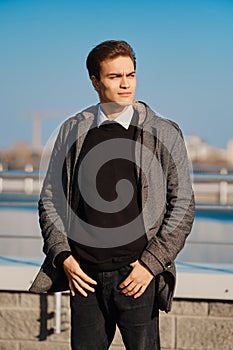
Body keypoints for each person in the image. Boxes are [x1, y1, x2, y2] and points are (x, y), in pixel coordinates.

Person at [30, 40, 195, 350]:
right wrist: (63, 256)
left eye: (130, 75)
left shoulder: (163, 132)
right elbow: (51, 198)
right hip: (84, 276)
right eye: (114, 76)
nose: (125, 84)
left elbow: (182, 204)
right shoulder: (72, 131)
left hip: (138, 276)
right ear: (95, 81)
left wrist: (151, 264)